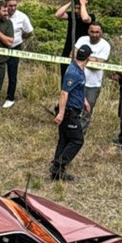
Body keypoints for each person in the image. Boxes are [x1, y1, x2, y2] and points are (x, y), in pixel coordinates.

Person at [50, 44, 91, 181]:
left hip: (73, 109)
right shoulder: (74, 72)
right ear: (88, 58)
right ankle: (58, 165)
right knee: (77, 140)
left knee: (64, 140)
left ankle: (57, 172)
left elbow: (77, 89)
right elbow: (64, 93)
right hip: (69, 112)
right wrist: (61, 114)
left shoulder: (79, 69)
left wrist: (84, 100)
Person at [74, 23, 111, 134]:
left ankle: (81, 133)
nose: (94, 34)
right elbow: (73, 54)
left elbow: (99, 63)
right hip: (77, 80)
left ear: (101, 33)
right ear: (88, 32)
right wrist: (91, 59)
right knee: (74, 107)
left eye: (97, 32)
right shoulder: (82, 40)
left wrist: (83, 57)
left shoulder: (105, 45)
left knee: (87, 110)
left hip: (93, 83)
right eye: (92, 32)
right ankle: (71, 130)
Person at [2, 0, 34, 109]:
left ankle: (10, 98)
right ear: (6, 5)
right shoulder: (2, 15)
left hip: (15, 47)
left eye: (15, 5)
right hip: (1, 47)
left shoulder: (22, 17)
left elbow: (30, 31)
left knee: (12, 72)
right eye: (10, 6)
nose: (13, 8)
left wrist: (21, 38)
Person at [55, 0, 95, 81]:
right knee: (65, 75)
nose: (76, 11)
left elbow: (85, 18)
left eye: (79, 8)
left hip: (82, 51)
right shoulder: (72, 15)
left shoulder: (91, 16)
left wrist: (83, 4)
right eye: (75, 8)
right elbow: (58, 14)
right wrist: (71, 1)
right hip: (68, 48)